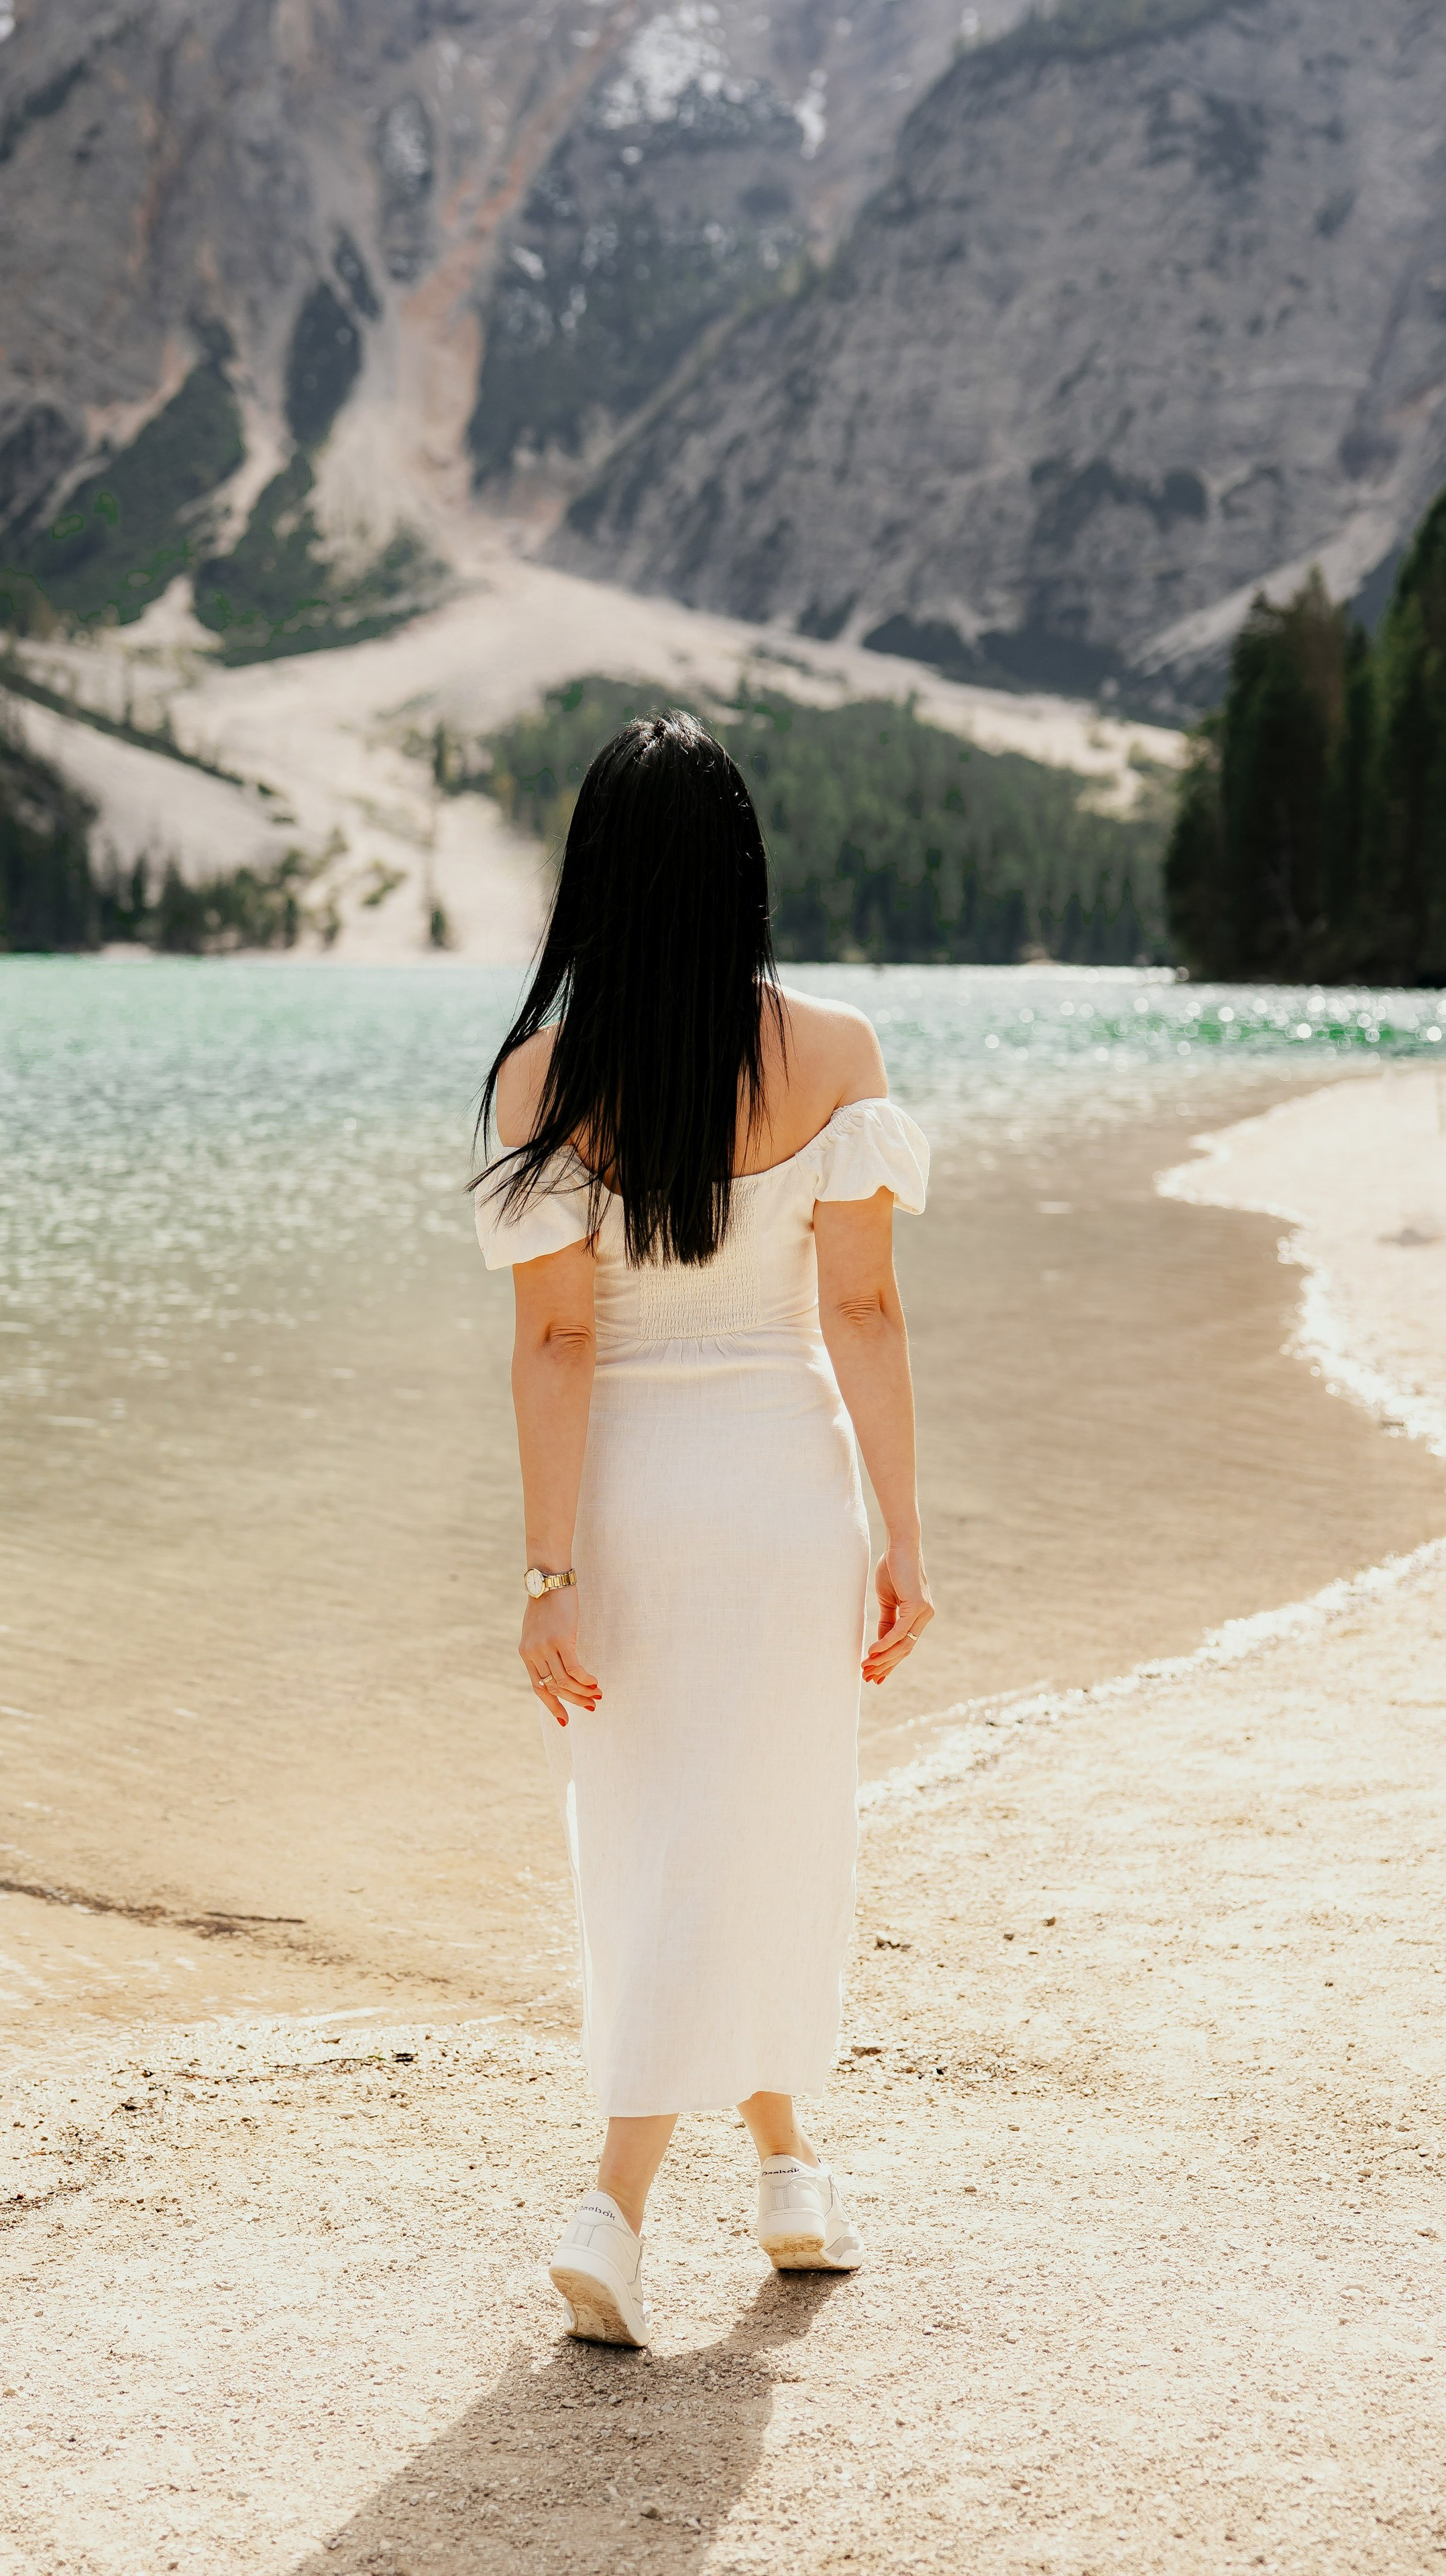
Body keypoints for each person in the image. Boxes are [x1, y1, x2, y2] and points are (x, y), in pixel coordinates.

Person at [474, 710, 932, 2347]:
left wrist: (547, 1575)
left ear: (591, 881)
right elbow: (863, 1313)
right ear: (740, 869)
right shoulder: (834, 1052)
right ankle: (777, 2174)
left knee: (653, 1840)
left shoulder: (541, 1077)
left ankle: (637, 2194)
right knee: (779, 1823)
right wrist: (901, 1536)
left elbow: (556, 1343)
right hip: (788, 1485)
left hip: (635, 1501)